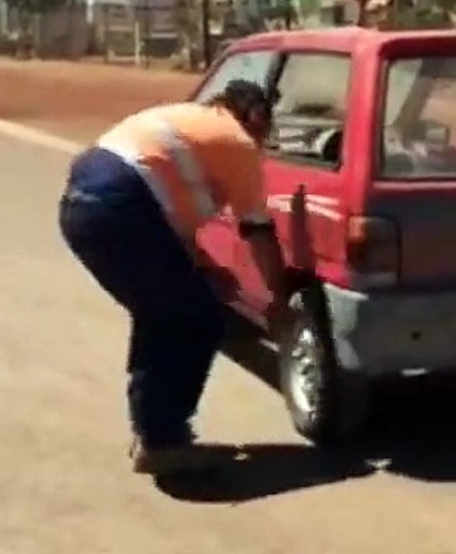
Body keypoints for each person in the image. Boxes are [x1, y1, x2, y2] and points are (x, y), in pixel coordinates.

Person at [57, 80, 287, 476]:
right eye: (266, 130)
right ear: (255, 116)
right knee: (198, 318)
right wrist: (279, 300)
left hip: (82, 206)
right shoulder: (237, 141)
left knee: (161, 315)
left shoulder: (188, 121)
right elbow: (257, 230)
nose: (264, 141)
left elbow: (169, 215)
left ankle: (152, 431)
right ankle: (163, 441)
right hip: (121, 206)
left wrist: (204, 264)